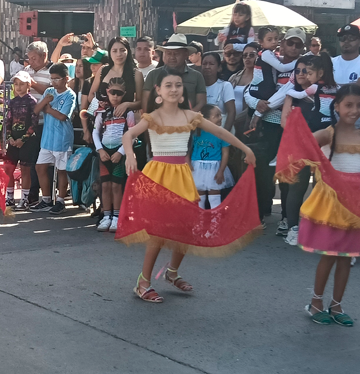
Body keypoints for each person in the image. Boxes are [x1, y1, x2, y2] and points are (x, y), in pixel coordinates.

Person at [122, 70, 256, 302]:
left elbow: (220, 131)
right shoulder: (152, 117)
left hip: (182, 176)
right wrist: (129, 155)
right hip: (158, 177)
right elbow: (129, 134)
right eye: (168, 85)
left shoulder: (190, 116)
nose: (174, 89)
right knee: (158, 232)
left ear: (182, 92)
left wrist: (246, 149)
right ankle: (143, 282)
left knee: (185, 228)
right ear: (158, 92)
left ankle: (172, 272)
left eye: (178, 85)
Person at [302, 85, 360, 326]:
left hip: (355, 203)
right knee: (330, 254)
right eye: (348, 105)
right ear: (336, 107)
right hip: (332, 202)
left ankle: (336, 305)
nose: (354, 110)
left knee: (347, 256)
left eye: (359, 105)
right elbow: (302, 146)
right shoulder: (329, 134)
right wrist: (318, 167)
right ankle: (315, 303)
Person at [245, 28, 305, 224]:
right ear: (283, 44)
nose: (294, 47)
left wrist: (262, 109)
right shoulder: (271, 61)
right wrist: (257, 106)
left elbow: (288, 92)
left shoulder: (303, 68)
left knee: (288, 173)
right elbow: (249, 90)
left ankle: (287, 219)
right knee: (262, 171)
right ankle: (259, 214)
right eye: (291, 43)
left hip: (290, 126)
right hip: (268, 126)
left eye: (299, 45)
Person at [281, 53, 339, 246]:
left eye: (309, 71)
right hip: (300, 144)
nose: (304, 74)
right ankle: (292, 228)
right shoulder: (294, 94)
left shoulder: (334, 91)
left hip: (328, 144)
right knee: (297, 185)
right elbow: (284, 123)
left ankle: (316, 226)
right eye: (303, 71)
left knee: (322, 186)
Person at [31, 63, 77, 215]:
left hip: (62, 139)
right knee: (40, 167)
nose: (54, 82)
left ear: (65, 79)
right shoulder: (49, 91)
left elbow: (63, 116)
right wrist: (44, 102)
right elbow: (36, 110)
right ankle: (46, 199)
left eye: (57, 79)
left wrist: (49, 109)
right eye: (52, 79)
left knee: (62, 171)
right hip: (47, 138)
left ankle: (61, 200)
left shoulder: (70, 95)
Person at [90, 76, 135, 231]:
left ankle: (116, 217)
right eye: (112, 92)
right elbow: (95, 132)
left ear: (124, 94)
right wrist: (100, 149)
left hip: (118, 153)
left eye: (119, 93)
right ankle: (106, 216)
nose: (115, 96)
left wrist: (121, 152)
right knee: (106, 186)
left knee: (117, 186)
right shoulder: (102, 112)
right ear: (107, 92)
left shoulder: (128, 113)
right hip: (104, 153)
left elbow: (132, 134)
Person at [3, 71, 38, 210]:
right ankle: (9, 198)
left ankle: (24, 199)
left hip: (27, 142)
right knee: (8, 169)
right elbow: (8, 120)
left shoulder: (32, 101)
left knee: (25, 171)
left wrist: (23, 139)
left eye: (22, 84)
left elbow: (34, 123)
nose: (18, 87)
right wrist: (10, 137)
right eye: (16, 84)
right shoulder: (12, 102)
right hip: (13, 141)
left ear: (28, 85)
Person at [144, 34, 206, 112]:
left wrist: (188, 117)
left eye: (176, 53)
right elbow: (146, 102)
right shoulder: (153, 75)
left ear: (186, 54)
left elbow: (201, 102)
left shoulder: (196, 76)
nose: (172, 57)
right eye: (169, 53)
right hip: (158, 121)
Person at [191, 103, 233, 209]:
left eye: (220, 115)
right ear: (205, 119)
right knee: (199, 198)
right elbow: (189, 149)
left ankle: (215, 223)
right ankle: (200, 222)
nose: (220, 118)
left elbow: (225, 153)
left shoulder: (222, 134)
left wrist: (221, 171)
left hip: (214, 168)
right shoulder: (196, 133)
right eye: (216, 116)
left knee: (214, 197)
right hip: (197, 168)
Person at [199, 52, 236, 129]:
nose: (207, 67)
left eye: (211, 64)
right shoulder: (197, 87)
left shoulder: (225, 86)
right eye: (204, 64)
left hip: (221, 130)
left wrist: (224, 135)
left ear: (219, 68)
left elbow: (231, 112)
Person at [332, 24, 360, 90]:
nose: (346, 41)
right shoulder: (331, 62)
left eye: (351, 38)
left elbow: (358, 88)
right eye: (343, 38)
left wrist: (330, 88)